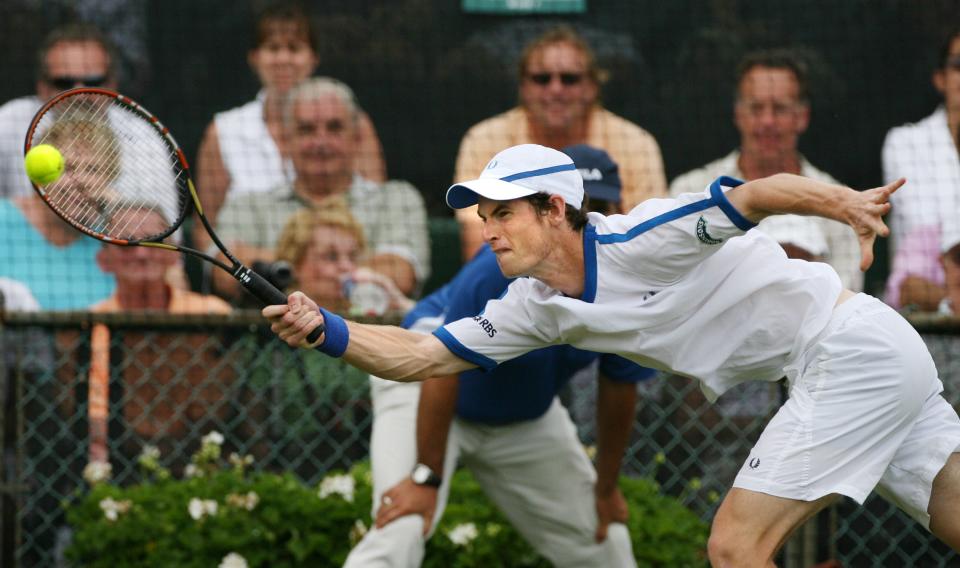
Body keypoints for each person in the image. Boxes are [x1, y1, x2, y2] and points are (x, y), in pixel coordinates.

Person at [265, 143, 960, 565]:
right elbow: (419, 356)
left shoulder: (645, 235)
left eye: (504, 213)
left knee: (732, 547)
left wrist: (843, 203)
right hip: (866, 357)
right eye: (484, 216)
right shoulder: (533, 308)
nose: (488, 231)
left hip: (850, 350)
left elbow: (758, 194)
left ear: (555, 210)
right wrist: (325, 327)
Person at [344, 145, 651, 568]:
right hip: (426, 395)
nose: (587, 213)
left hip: (522, 418)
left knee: (604, 545)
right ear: (552, 210)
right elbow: (436, 365)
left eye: (596, 204)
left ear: (616, 207)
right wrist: (424, 477)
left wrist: (605, 487)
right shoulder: (501, 266)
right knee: (401, 526)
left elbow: (619, 384)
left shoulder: (625, 281)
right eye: (585, 202)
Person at [452, 25, 667, 260]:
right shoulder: (484, 139)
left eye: (569, 79)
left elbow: (651, 238)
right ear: (523, 87)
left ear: (592, 87)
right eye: (542, 79)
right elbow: (478, 246)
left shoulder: (635, 143)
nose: (555, 89)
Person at [212, 77, 429, 302]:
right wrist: (343, 270)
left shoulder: (397, 198)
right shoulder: (247, 204)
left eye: (334, 128)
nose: (321, 141)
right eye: (306, 130)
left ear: (355, 138)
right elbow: (225, 273)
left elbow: (400, 275)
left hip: (368, 333)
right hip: (270, 334)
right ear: (286, 140)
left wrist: (287, 270)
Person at [193, 1, 385, 252]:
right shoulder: (223, 131)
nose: (283, 59)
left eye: (294, 48)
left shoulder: (355, 122)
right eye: (273, 48)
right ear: (254, 58)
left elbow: (376, 208)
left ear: (313, 58)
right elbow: (205, 230)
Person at [669, 48, 862, 292]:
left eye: (779, 108)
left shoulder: (838, 201)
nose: (767, 121)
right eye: (756, 108)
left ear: (802, 117)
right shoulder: (690, 189)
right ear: (738, 114)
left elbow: (846, 294)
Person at [87, 204, 232, 462]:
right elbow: (93, 414)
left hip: (204, 453)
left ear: (174, 254)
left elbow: (222, 407)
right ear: (103, 260)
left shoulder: (213, 315)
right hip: (114, 456)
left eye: (155, 241)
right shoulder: (89, 325)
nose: (142, 254)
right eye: (128, 242)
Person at [0, 117, 116, 309]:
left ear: (110, 178)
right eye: (67, 168)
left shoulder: (117, 240)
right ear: (39, 174)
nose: (81, 180)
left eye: (93, 170)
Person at [882, 28, 960, 311]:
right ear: (940, 79)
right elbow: (927, 236)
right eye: (959, 64)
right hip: (922, 320)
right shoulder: (903, 142)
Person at [0, 22, 118, 199]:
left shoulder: (145, 137)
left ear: (112, 85)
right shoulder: (8, 122)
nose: (79, 94)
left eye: (93, 82)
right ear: (42, 87)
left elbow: (158, 222)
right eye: (64, 83)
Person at [274, 204, 411, 316]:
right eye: (331, 256)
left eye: (352, 256)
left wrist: (400, 304)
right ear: (295, 264)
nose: (346, 266)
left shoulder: (365, 314)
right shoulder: (276, 317)